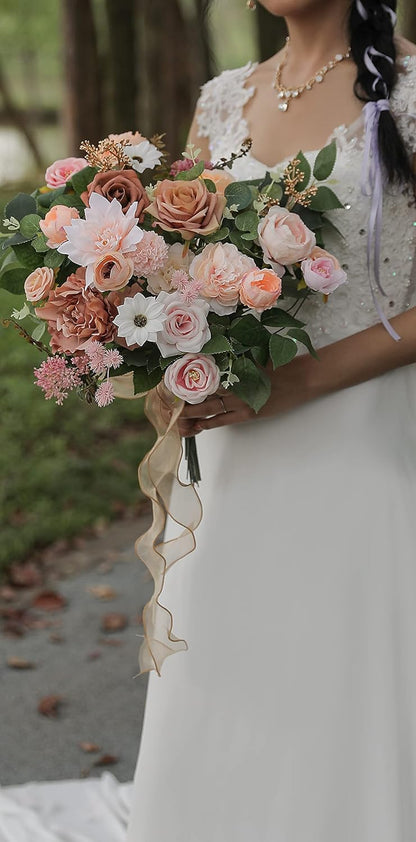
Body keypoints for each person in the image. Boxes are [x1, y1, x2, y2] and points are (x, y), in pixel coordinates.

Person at [127, 1, 416, 839]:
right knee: (227, 677)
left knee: (343, 677)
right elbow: (174, 270)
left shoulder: (409, 94)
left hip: (362, 441)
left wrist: (298, 384)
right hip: (232, 454)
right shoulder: (223, 97)